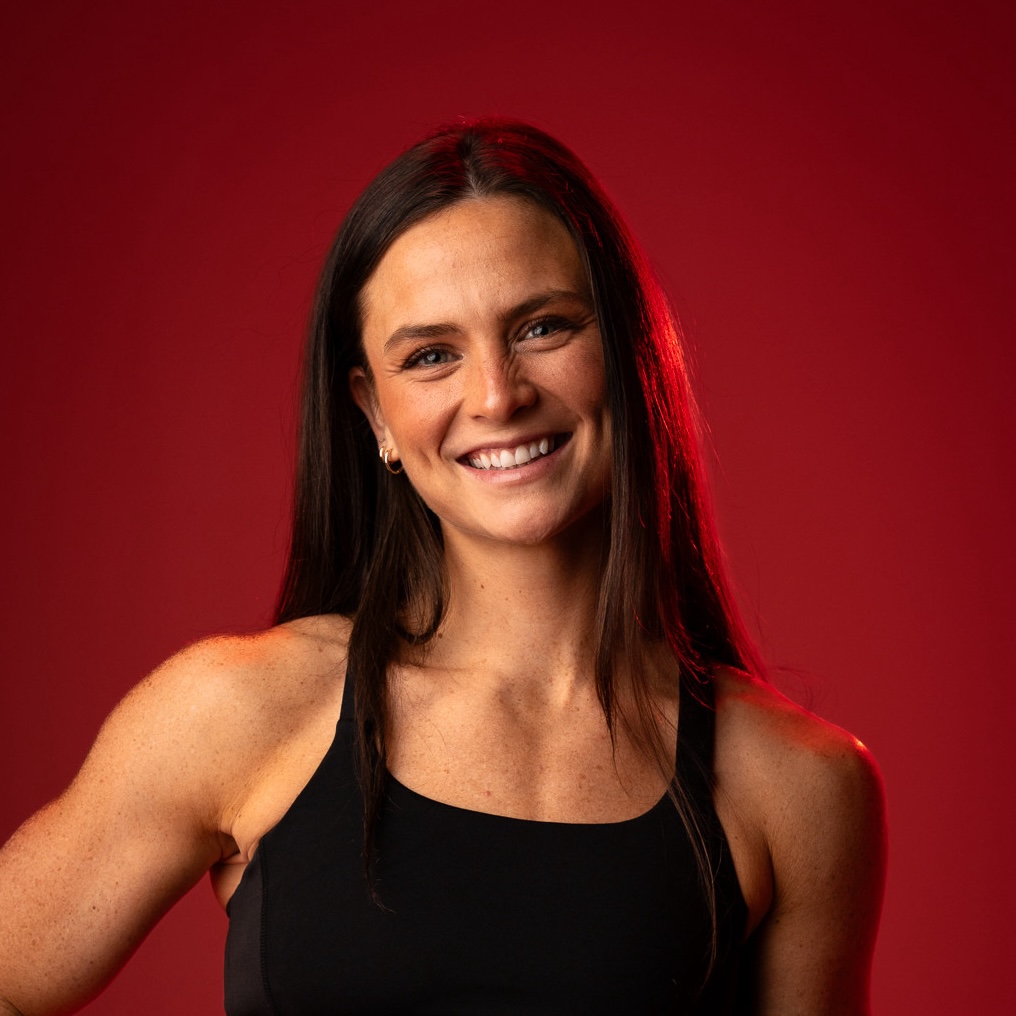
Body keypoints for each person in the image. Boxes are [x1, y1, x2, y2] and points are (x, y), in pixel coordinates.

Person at [0, 119, 886, 1014]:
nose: (497, 396)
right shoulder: (235, 712)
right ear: (375, 415)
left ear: (628, 351)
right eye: (431, 356)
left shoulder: (799, 788)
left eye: (542, 327)